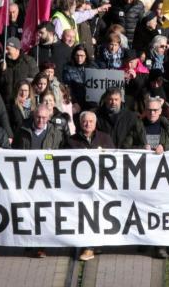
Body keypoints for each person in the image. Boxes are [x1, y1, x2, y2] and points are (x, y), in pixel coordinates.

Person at [64, 111, 114, 262]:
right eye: (85, 121)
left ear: (95, 123)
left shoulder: (105, 138)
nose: (88, 124)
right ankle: (87, 245)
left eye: (91, 121)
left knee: (97, 215)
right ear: (80, 123)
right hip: (78, 189)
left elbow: (115, 160)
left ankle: (91, 246)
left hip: (100, 187)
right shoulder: (71, 141)